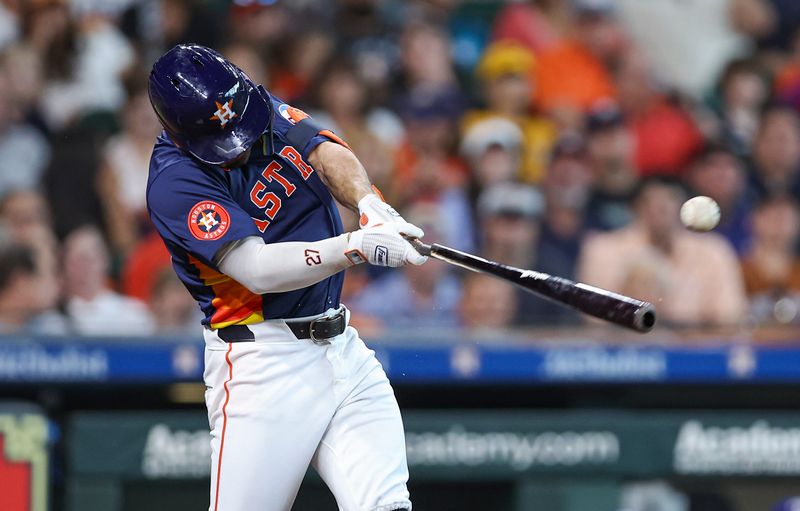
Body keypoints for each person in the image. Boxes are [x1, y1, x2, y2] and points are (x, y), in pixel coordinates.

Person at [146, 45, 424, 511]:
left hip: (341, 346)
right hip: (265, 364)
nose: (239, 138)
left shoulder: (245, 103)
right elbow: (256, 269)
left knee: (386, 504)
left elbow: (323, 148)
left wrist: (371, 206)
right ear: (179, 135)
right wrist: (352, 247)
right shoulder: (174, 182)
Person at [577, 176, 747, 327]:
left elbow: (729, 316)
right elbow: (595, 318)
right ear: (636, 207)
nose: (661, 210)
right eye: (652, 203)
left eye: (669, 202)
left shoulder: (713, 251)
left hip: (696, 351)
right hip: (622, 352)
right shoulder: (602, 249)